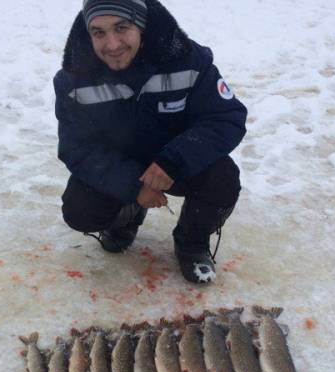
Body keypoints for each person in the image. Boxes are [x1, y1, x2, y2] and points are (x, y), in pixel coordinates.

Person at [53, 0, 248, 284]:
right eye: (98, 32)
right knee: (80, 209)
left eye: (122, 28)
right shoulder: (72, 80)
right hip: (122, 169)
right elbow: (78, 148)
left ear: (141, 25)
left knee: (223, 179)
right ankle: (128, 214)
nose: (112, 44)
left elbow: (226, 117)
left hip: (175, 165)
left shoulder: (188, 59)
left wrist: (174, 161)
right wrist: (134, 187)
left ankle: (191, 242)